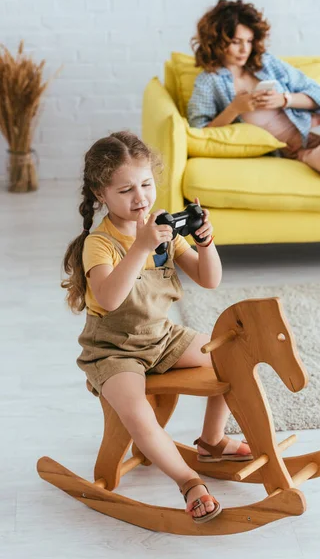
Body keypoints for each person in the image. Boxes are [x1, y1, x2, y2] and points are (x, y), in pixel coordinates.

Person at [61, 131, 252, 524]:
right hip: (114, 350)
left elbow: (209, 278)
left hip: (161, 338)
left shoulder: (160, 227)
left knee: (230, 355)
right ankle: (188, 482)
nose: (140, 198)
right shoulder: (99, 244)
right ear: (102, 193)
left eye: (146, 184)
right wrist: (141, 247)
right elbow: (111, 298)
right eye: (126, 189)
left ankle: (212, 441)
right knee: (138, 416)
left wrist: (204, 241)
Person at [188, 0, 320, 179]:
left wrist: (284, 100)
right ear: (216, 41)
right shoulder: (208, 82)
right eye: (236, 42)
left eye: (249, 41)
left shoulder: (266, 63)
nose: (245, 49)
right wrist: (234, 109)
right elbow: (200, 133)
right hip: (301, 150)